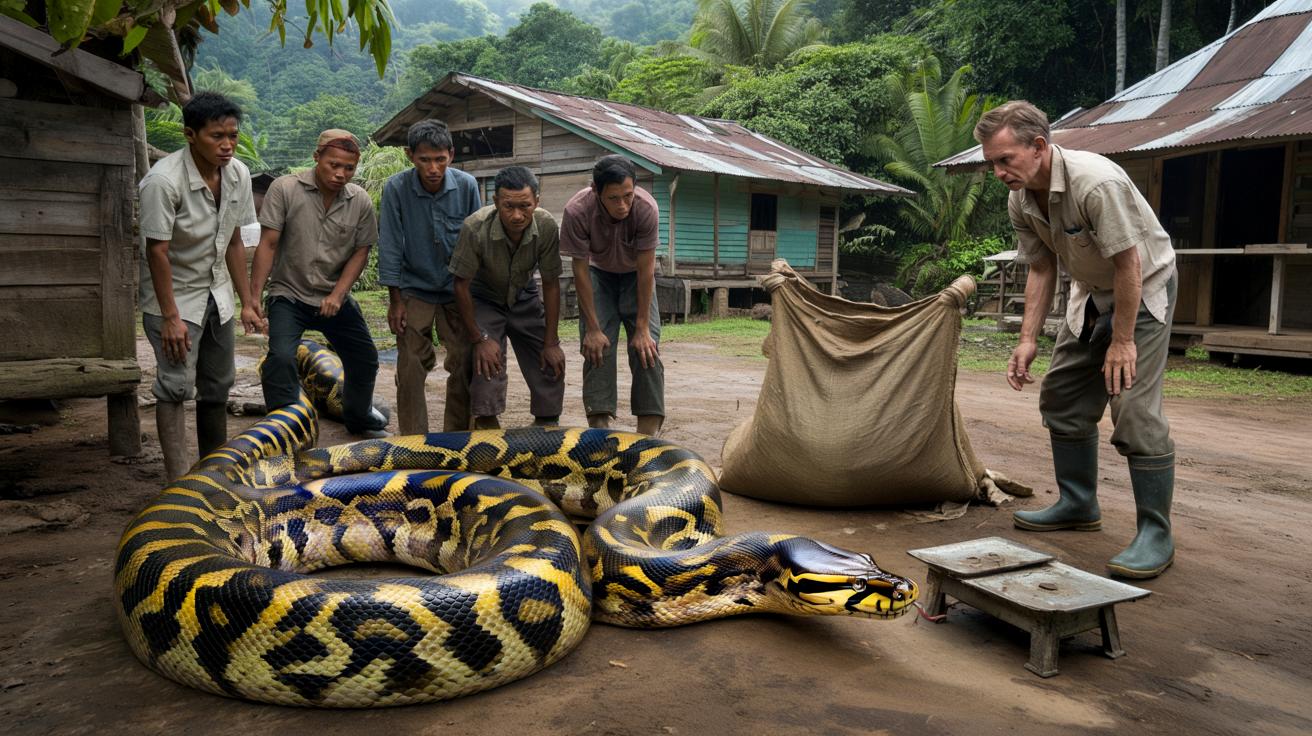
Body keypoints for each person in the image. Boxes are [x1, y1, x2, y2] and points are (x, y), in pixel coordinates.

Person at [976, 100, 1178, 579]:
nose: (999, 171)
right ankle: (1078, 503)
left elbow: (1130, 265)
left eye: (1006, 160)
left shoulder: (1095, 182)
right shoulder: (1021, 198)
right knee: (1063, 395)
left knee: (1131, 407)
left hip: (1142, 289)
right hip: (1089, 292)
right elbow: (1043, 267)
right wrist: (1028, 339)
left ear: (1039, 147)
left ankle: (1156, 531)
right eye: (992, 163)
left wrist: (1123, 340)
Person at [138, 91, 261, 481]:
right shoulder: (162, 182)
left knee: (217, 387)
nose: (227, 145)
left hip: (218, 295)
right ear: (190, 134)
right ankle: (177, 482)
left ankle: (214, 474)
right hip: (175, 300)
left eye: (232, 136)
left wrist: (247, 301)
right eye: (216, 136)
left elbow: (235, 242)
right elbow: (157, 252)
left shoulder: (238, 174)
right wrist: (171, 318)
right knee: (174, 388)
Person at [250, 129, 389, 438]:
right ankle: (285, 427)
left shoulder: (360, 200)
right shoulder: (284, 188)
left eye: (349, 168)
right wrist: (253, 299)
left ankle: (358, 414)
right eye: (333, 165)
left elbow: (361, 251)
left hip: (332, 296)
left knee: (364, 358)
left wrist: (339, 295)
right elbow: (268, 244)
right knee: (281, 357)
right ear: (317, 158)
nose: (341, 174)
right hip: (289, 293)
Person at [377, 119, 482, 434]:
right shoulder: (396, 188)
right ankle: (412, 440)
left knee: (463, 361)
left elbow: (475, 240)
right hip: (414, 287)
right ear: (410, 156)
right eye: (424, 160)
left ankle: (457, 438)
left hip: (456, 290)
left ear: (451, 155)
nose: (433, 167)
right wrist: (395, 301)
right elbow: (392, 244)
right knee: (409, 364)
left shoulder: (467, 186)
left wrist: (474, 299)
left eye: (440, 159)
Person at [450, 166, 566, 429]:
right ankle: (487, 425)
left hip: (524, 295)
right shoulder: (475, 227)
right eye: (508, 206)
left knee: (549, 357)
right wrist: (479, 338)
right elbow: (460, 286)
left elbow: (550, 283)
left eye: (525, 206)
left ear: (537, 201)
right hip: (484, 297)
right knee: (486, 360)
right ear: (495, 202)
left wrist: (551, 341)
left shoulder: (547, 226)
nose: (517, 215)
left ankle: (547, 423)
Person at [559, 155, 664, 436]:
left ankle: (648, 436)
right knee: (596, 347)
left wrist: (642, 328)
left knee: (646, 349)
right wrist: (592, 328)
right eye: (613, 198)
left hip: (636, 275)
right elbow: (580, 271)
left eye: (627, 196)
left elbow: (646, 271)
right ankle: (599, 431)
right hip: (597, 273)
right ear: (596, 191)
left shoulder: (646, 209)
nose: (622, 205)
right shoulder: (577, 211)